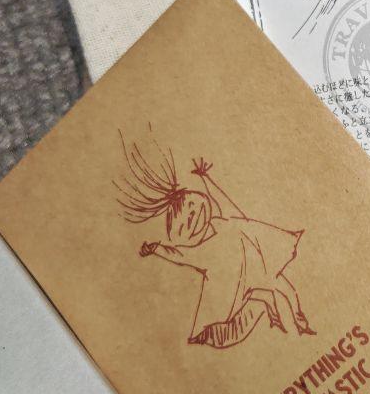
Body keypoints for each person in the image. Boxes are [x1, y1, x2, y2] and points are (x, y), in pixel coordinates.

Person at [117, 139, 314, 349]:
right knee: (261, 298)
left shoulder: (222, 222)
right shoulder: (202, 251)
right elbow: (176, 255)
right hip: (241, 286)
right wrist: (155, 249)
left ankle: (299, 323)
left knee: (286, 290)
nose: (195, 215)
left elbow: (220, 199)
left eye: (193, 207)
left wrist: (205, 177)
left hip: (262, 264)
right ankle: (277, 316)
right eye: (188, 221)